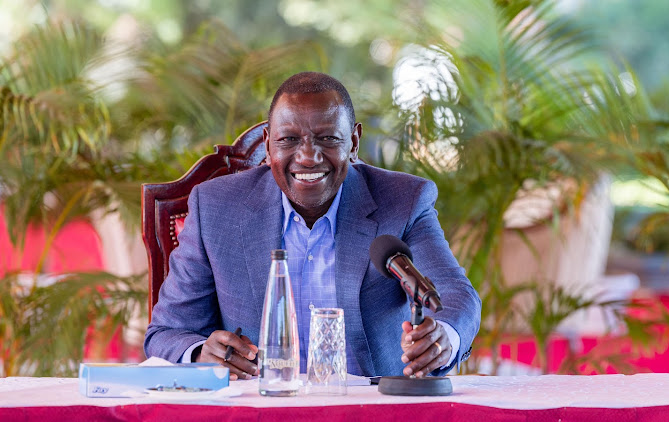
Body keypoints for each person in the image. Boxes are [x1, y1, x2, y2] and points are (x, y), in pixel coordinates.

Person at [145, 72, 481, 380]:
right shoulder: (216, 207)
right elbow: (167, 331)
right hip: (258, 410)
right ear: (267, 142)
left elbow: (454, 294)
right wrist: (202, 354)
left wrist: (444, 337)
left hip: (370, 409)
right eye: (289, 140)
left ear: (354, 141)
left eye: (327, 139)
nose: (308, 156)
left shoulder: (404, 200)